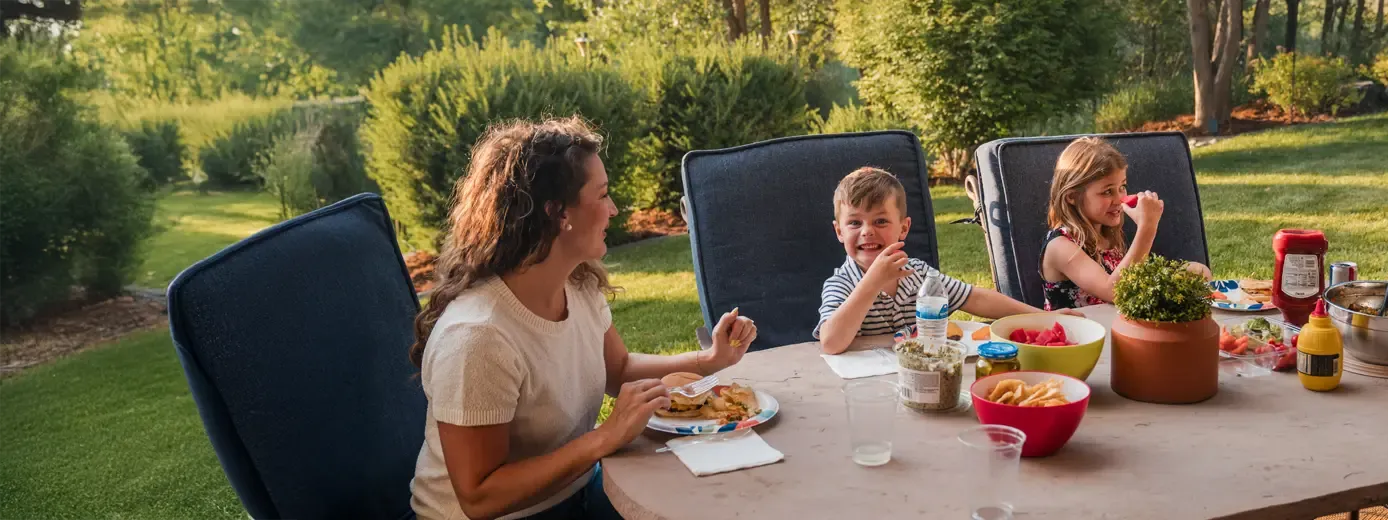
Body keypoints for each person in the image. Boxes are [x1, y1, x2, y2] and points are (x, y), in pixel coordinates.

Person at [408, 117, 759, 520]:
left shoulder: (577, 285)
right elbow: (479, 497)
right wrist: (606, 437)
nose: (613, 210)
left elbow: (619, 369)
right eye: (603, 195)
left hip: (577, 492)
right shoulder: (478, 338)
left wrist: (708, 361)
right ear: (558, 212)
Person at [814, 167, 1081, 355]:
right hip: (865, 390)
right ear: (839, 231)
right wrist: (871, 283)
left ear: (903, 228)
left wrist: (1043, 317)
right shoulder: (841, 284)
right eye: (854, 223)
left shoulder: (917, 274)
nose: (867, 231)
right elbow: (830, 342)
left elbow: (976, 298)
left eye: (880, 220)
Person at [1039, 137, 1210, 310]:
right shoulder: (1060, 246)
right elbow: (1116, 292)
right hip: (1082, 334)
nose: (1119, 199)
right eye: (1107, 191)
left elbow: (1134, 283)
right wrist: (1147, 228)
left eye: (1122, 187)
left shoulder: (1107, 236)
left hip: (1119, 325)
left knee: (1198, 272)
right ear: (1072, 197)